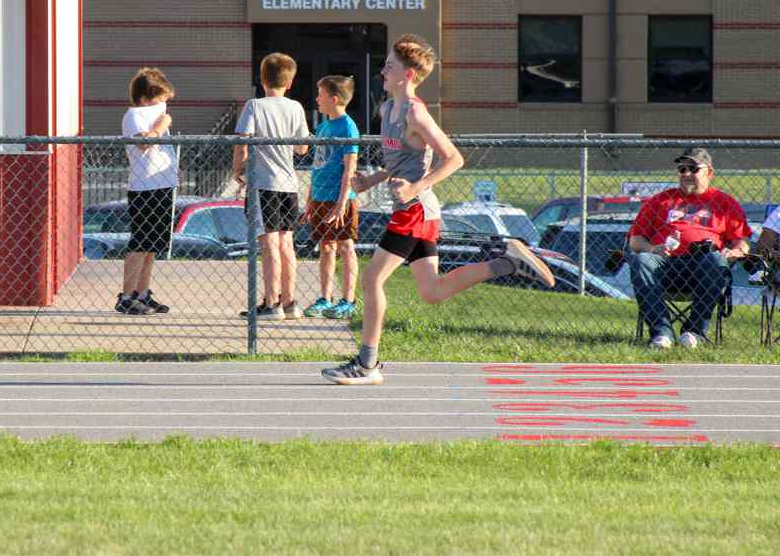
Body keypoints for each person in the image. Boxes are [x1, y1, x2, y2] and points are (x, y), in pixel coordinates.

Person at [321, 34, 554, 385]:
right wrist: (371, 181)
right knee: (432, 292)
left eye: (390, 66)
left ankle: (367, 364)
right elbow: (400, 164)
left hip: (416, 208)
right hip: (414, 210)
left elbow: (454, 158)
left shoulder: (415, 112)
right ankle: (508, 262)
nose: (383, 70)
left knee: (371, 280)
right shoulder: (387, 110)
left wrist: (415, 187)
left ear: (408, 75)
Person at [628, 147, 751, 350]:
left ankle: (694, 332)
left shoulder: (725, 203)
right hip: (665, 264)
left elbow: (742, 241)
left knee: (716, 261)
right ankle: (662, 333)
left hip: (703, 266)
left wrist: (735, 252)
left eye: (693, 169)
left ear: (709, 172)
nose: (686, 174)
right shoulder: (660, 200)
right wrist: (652, 249)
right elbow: (635, 240)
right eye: (682, 169)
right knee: (642, 260)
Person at [233, 53, 310, 319]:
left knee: (269, 244)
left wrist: (238, 170)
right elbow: (302, 148)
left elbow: (242, 141)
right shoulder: (296, 107)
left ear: (263, 78)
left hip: (263, 184)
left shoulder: (255, 105)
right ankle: (290, 302)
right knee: (287, 241)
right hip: (289, 184)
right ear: (290, 82)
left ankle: (272, 302)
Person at [116, 67, 177, 315]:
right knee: (140, 242)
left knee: (153, 245)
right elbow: (143, 142)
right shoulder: (134, 116)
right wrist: (161, 126)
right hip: (144, 189)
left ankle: (143, 292)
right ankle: (127, 296)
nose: (163, 107)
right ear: (144, 99)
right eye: (159, 100)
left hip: (162, 184)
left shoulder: (153, 117)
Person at [302, 75, 360, 320]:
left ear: (334, 99)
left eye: (320, 94)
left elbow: (350, 167)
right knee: (325, 248)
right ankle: (325, 298)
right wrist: (309, 198)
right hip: (319, 196)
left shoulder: (347, 126)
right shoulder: (323, 126)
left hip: (340, 198)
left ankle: (348, 300)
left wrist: (341, 202)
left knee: (346, 246)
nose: (317, 99)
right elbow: (317, 166)